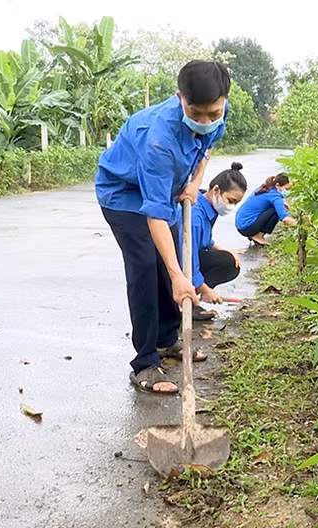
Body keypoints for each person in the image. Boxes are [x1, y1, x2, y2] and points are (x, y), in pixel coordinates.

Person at [95, 60, 230, 394]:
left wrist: (194, 181)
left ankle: (168, 339)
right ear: (179, 98)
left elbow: (206, 148)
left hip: (167, 191)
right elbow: (154, 217)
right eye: (195, 113)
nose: (204, 122)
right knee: (147, 264)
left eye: (212, 114)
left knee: (169, 263)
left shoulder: (218, 113)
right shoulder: (158, 138)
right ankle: (144, 363)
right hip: (123, 193)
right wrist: (177, 275)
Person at [173, 162, 247, 322]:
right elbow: (188, 260)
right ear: (216, 190)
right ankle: (185, 301)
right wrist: (205, 290)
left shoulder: (206, 206)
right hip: (176, 261)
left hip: (187, 255)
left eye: (236, 203)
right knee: (224, 262)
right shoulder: (194, 216)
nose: (231, 207)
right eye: (231, 200)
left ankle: (190, 300)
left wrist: (223, 249)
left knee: (229, 261)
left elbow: (203, 241)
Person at [235, 173, 296, 246]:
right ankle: (258, 236)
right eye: (286, 189)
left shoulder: (265, 188)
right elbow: (284, 218)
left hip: (240, 223)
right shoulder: (275, 197)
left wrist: (282, 203)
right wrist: (300, 226)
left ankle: (254, 234)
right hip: (247, 227)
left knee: (276, 207)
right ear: (277, 185)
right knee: (275, 211)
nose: (288, 192)